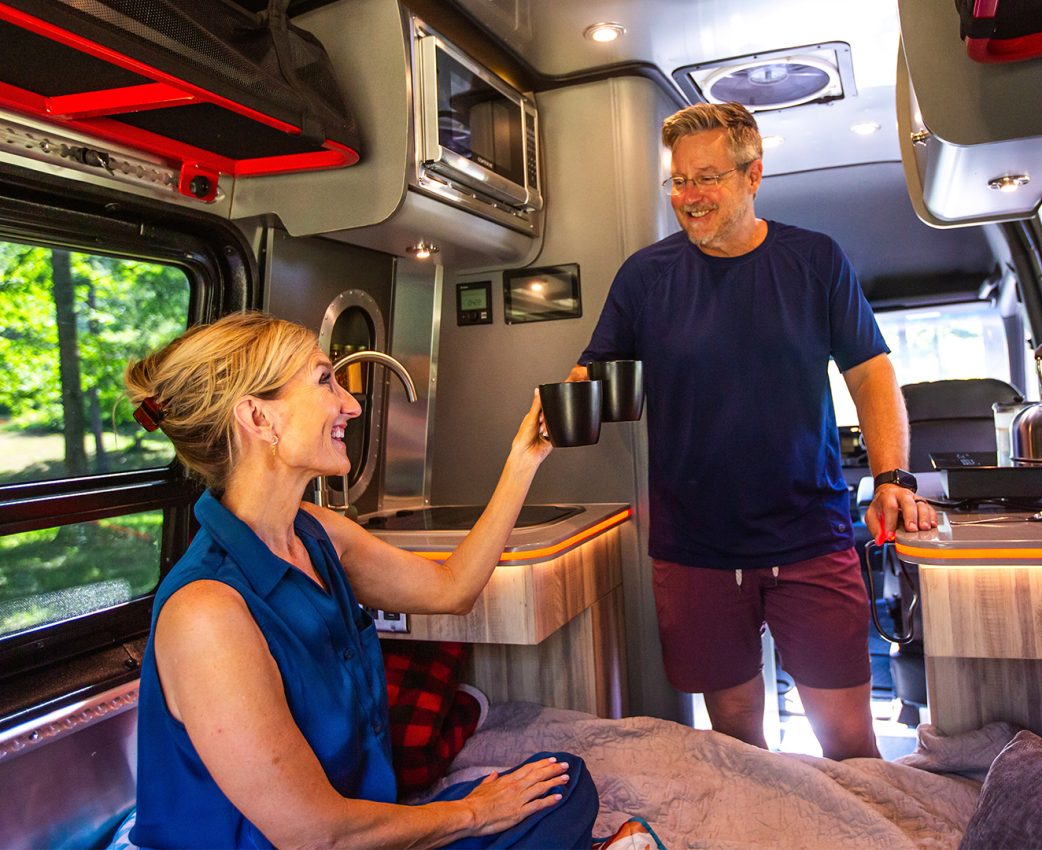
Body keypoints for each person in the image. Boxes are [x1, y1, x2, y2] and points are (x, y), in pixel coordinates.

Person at [123, 312, 628, 849]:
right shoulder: (206, 612)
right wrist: (474, 813)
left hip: (359, 829)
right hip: (318, 842)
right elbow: (315, 836)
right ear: (258, 417)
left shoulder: (316, 533)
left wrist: (522, 460)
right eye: (325, 380)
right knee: (535, 809)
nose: (352, 404)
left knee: (562, 784)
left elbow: (453, 589)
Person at [570, 102, 937, 761]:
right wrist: (565, 400)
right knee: (737, 741)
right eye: (679, 181)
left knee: (849, 740)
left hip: (809, 535)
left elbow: (870, 373)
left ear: (753, 175)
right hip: (695, 548)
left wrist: (891, 478)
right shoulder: (645, 277)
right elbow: (592, 373)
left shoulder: (813, 259)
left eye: (707, 178)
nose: (689, 196)